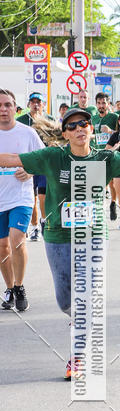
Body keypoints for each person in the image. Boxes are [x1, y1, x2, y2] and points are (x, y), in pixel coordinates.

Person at [0, 106, 120, 378]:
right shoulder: (52, 156)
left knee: (86, 294)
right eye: (71, 126)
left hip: (94, 235)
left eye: (83, 123)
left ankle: (78, 356)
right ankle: (80, 321)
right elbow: (12, 158)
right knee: (64, 300)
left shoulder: (105, 159)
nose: (78, 129)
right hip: (59, 235)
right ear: (65, 134)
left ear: (91, 128)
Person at [0, 89, 45, 311]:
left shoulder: (28, 133)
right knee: (2, 247)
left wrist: (30, 172)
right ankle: (9, 289)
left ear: (15, 108)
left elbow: (43, 160)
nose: (3, 109)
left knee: (17, 239)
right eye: (0, 105)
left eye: (7, 105)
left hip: (21, 197)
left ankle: (19, 286)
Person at [17, 92, 51, 242]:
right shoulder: (22, 120)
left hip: (44, 164)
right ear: (28, 104)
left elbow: (58, 139)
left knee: (43, 196)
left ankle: (44, 222)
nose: (36, 105)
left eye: (39, 102)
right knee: (31, 197)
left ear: (44, 104)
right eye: (33, 102)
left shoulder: (49, 120)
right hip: (28, 163)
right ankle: (34, 227)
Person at [91, 93, 120, 219]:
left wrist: (110, 131)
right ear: (96, 104)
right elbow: (92, 134)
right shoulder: (94, 118)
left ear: (108, 104)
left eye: (104, 103)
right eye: (99, 103)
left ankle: (113, 203)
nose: (101, 106)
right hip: (98, 153)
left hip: (112, 153)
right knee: (98, 183)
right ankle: (97, 211)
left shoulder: (115, 117)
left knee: (112, 183)